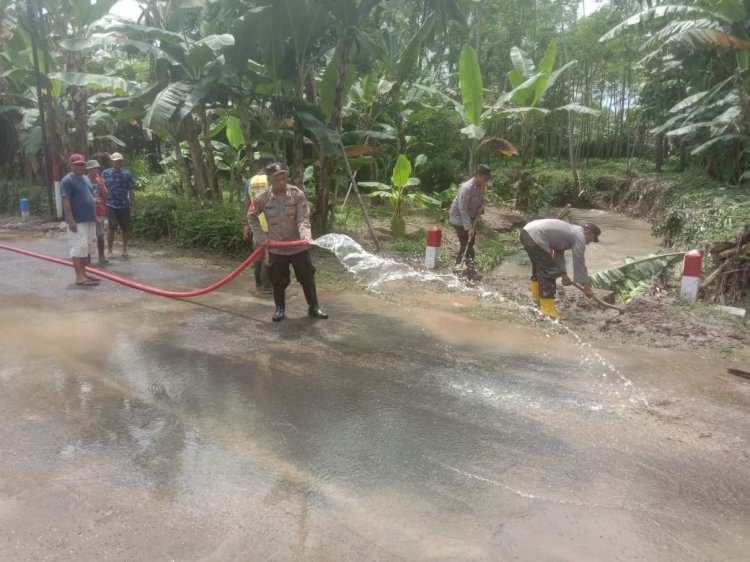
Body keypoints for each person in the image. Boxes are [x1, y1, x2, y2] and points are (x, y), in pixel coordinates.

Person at [248, 162, 328, 322]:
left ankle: (314, 307)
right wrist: (261, 237)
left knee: (307, 277)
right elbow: (251, 216)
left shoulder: (297, 195)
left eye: (284, 178)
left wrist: (306, 236)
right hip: (276, 248)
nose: (282, 182)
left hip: (298, 247)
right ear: (270, 180)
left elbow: (303, 219)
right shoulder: (262, 198)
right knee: (278, 280)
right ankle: (279, 309)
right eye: (277, 179)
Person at [520, 219, 601, 320]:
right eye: (592, 239)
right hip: (536, 235)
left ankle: (537, 302)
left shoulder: (569, 232)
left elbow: (559, 254)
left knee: (539, 269)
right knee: (549, 273)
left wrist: (564, 275)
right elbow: (579, 259)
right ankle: (547, 310)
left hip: (527, 233)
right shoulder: (579, 235)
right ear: (589, 233)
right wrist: (586, 287)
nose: (589, 243)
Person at [60, 154, 99, 286]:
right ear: (71, 165)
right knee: (78, 248)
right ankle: (79, 277)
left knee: (86, 248)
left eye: (82, 164)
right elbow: (66, 201)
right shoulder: (67, 181)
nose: (80, 167)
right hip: (78, 221)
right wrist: (71, 220)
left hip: (89, 219)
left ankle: (84, 273)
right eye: (77, 164)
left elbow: (91, 199)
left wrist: (95, 217)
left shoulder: (86, 179)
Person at [243, 153, 275, 293]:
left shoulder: (249, 181)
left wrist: (247, 224)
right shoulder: (271, 180)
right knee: (269, 255)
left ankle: (258, 284)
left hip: (256, 224)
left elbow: (247, 204)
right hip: (270, 223)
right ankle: (267, 286)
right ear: (270, 164)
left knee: (257, 255)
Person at [449, 165, 490, 273]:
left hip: (470, 219)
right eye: (485, 179)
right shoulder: (466, 188)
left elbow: (481, 201)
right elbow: (463, 209)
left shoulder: (481, 186)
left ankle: (465, 267)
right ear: (478, 176)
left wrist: (481, 208)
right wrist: (468, 228)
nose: (486, 182)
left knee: (470, 243)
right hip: (458, 219)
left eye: (487, 180)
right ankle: (461, 267)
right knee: (467, 243)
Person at [102, 152, 136, 258]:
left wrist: (133, 205)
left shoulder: (127, 174)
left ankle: (125, 249)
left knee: (125, 228)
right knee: (112, 227)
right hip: (110, 204)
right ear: (112, 162)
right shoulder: (105, 173)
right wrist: (102, 204)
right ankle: (110, 250)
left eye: (120, 161)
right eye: (116, 161)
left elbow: (131, 190)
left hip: (124, 204)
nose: (118, 163)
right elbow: (102, 188)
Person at [86, 159, 109, 265]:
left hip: (99, 211)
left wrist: (102, 185)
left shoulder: (99, 180)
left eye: (96, 168)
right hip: (87, 212)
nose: (94, 170)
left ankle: (101, 256)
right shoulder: (84, 180)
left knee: (100, 235)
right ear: (88, 170)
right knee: (88, 236)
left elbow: (106, 195)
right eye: (92, 168)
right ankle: (87, 257)